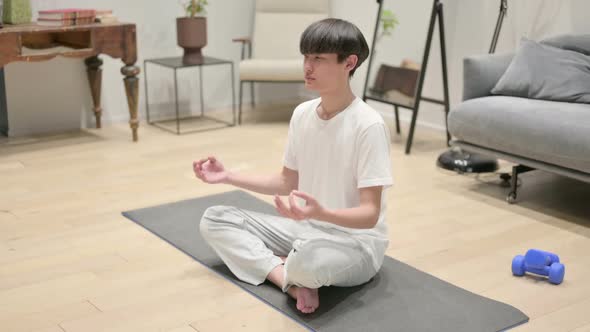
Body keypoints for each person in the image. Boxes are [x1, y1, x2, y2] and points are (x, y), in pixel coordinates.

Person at [193, 18, 392, 314]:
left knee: (307, 260)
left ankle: (291, 266)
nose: (307, 67)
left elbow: (369, 215)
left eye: (318, 58)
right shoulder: (302, 114)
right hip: (305, 231)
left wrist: (322, 213)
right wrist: (227, 176)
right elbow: (287, 182)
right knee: (215, 218)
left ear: (349, 62)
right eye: (306, 57)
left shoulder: (369, 125)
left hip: (356, 244)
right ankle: (289, 279)